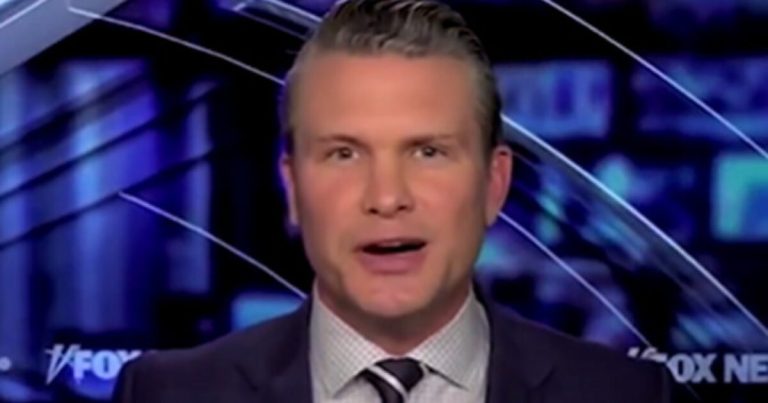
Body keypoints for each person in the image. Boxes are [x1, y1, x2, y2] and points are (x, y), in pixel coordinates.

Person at [112, 0, 671, 402]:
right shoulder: (168, 393)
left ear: (494, 184)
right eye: (344, 154)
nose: (386, 197)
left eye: (428, 152)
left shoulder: (624, 394)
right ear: (293, 189)